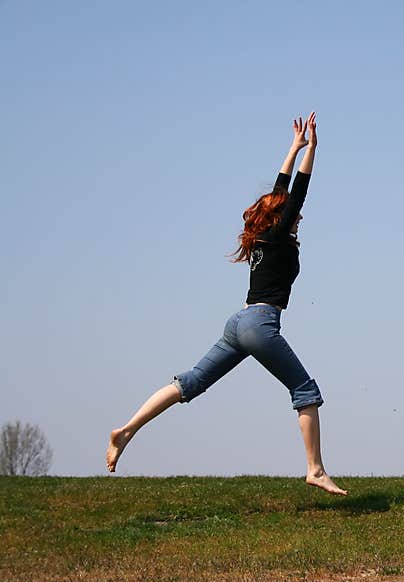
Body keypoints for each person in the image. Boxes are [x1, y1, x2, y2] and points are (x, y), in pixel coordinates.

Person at [106, 112, 347, 495]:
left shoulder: (263, 236)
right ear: (281, 217)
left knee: (191, 382)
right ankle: (315, 469)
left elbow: (282, 191)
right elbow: (297, 190)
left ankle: (128, 429)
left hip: (238, 323)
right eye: (291, 214)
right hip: (260, 325)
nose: (297, 216)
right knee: (305, 391)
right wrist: (312, 150)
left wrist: (294, 146)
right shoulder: (280, 234)